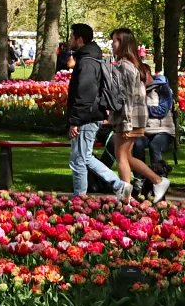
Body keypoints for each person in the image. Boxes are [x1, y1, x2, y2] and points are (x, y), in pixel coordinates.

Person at [107, 28, 171, 201]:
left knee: (121, 157)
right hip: (135, 116)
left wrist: (126, 122)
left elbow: (126, 98)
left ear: (124, 43)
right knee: (126, 156)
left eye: (115, 40)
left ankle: (125, 198)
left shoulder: (123, 67)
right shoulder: (134, 65)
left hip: (128, 117)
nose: (112, 44)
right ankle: (157, 180)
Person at [64, 23, 126, 198]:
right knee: (84, 157)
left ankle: (80, 197)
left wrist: (75, 121)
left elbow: (84, 93)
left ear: (79, 39)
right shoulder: (89, 59)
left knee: (78, 160)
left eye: (72, 37)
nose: (70, 40)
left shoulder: (87, 63)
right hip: (90, 115)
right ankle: (118, 186)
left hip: (87, 117)